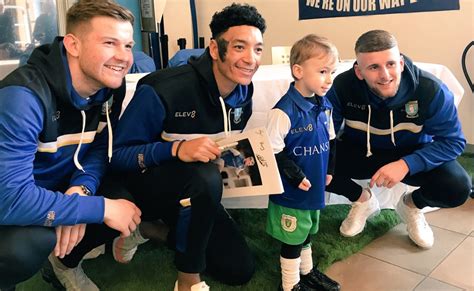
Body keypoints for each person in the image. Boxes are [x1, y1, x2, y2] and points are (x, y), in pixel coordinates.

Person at [109, 3, 266, 290]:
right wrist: (176, 150)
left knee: (238, 269)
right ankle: (188, 278)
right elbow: (117, 157)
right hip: (144, 186)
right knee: (204, 178)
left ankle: (148, 229)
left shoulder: (244, 91)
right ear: (215, 50)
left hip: (195, 193)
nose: (251, 59)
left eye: (257, 49)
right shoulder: (163, 89)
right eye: (240, 47)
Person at [0, 0, 142, 290]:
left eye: (128, 46)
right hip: (14, 198)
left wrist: (82, 191)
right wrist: (95, 208)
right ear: (73, 45)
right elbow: (9, 199)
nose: (123, 57)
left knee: (132, 190)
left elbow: (101, 147)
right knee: (24, 247)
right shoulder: (22, 98)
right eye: (110, 42)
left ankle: (64, 264)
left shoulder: (110, 87)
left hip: (61, 187)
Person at [325, 30, 472, 249]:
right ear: (359, 71)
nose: (385, 75)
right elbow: (326, 135)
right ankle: (362, 200)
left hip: (412, 152)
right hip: (361, 152)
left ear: (401, 63)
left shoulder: (431, 89)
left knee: (457, 187)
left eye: (391, 64)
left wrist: (406, 164)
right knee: (309, 163)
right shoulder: (341, 87)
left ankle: (411, 205)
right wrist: (324, 167)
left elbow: (453, 142)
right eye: (373, 67)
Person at [265, 34, 341, 291]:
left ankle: (306, 272)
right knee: (292, 239)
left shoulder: (325, 105)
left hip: (315, 185)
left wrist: (329, 170)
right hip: (292, 192)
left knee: (307, 232)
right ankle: (290, 284)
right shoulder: (283, 111)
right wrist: (296, 175)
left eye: (332, 71)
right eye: (322, 71)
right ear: (298, 71)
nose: (329, 79)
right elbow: (273, 152)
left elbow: (330, 140)